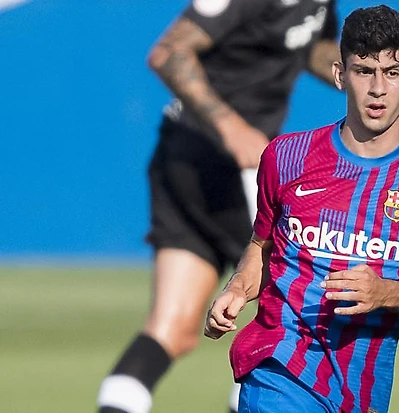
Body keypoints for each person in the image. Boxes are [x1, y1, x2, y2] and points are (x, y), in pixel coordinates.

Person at [204, 5, 399, 412]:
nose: (378, 88)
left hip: (362, 388)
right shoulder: (286, 156)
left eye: (392, 72)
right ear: (339, 75)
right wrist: (238, 289)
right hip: (278, 366)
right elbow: (263, 246)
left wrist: (384, 292)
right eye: (364, 71)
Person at [96, 1, 341, 412]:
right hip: (211, 160)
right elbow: (168, 52)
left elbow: (308, 43)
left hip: (210, 160)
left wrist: (361, 71)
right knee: (293, 322)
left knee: (173, 329)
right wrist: (232, 128)